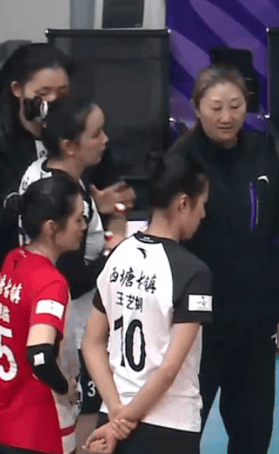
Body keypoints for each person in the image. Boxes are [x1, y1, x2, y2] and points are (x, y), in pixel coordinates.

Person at [168, 64, 279, 453]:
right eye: (216, 107)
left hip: (254, 319)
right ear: (196, 108)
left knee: (253, 432)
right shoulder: (179, 161)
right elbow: (169, 241)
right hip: (197, 324)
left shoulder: (262, 152)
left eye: (236, 106)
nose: (227, 117)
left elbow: (278, 234)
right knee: (183, 429)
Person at [0, 43, 73, 453]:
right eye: (43, 94)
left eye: (62, 93)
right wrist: (21, 209)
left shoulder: (67, 138)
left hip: (51, 292)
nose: (53, 103)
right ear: (17, 90)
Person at [80, 155, 212, 454]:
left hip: (113, 416)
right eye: (202, 204)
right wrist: (126, 417)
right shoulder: (193, 272)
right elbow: (168, 370)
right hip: (170, 426)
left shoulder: (118, 254)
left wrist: (116, 412)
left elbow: (92, 343)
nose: (203, 214)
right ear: (183, 204)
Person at [17, 96, 125, 452]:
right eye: (96, 134)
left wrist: (97, 209)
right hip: (72, 332)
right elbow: (73, 277)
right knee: (82, 431)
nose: (105, 140)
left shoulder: (37, 173)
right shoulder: (67, 196)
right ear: (69, 146)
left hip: (39, 318)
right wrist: (113, 252)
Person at [0, 174, 87, 454]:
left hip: (6, 417)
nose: (83, 226)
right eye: (78, 219)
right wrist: (64, 387)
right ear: (52, 227)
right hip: (41, 427)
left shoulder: (14, 259)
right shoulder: (51, 283)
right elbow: (40, 354)